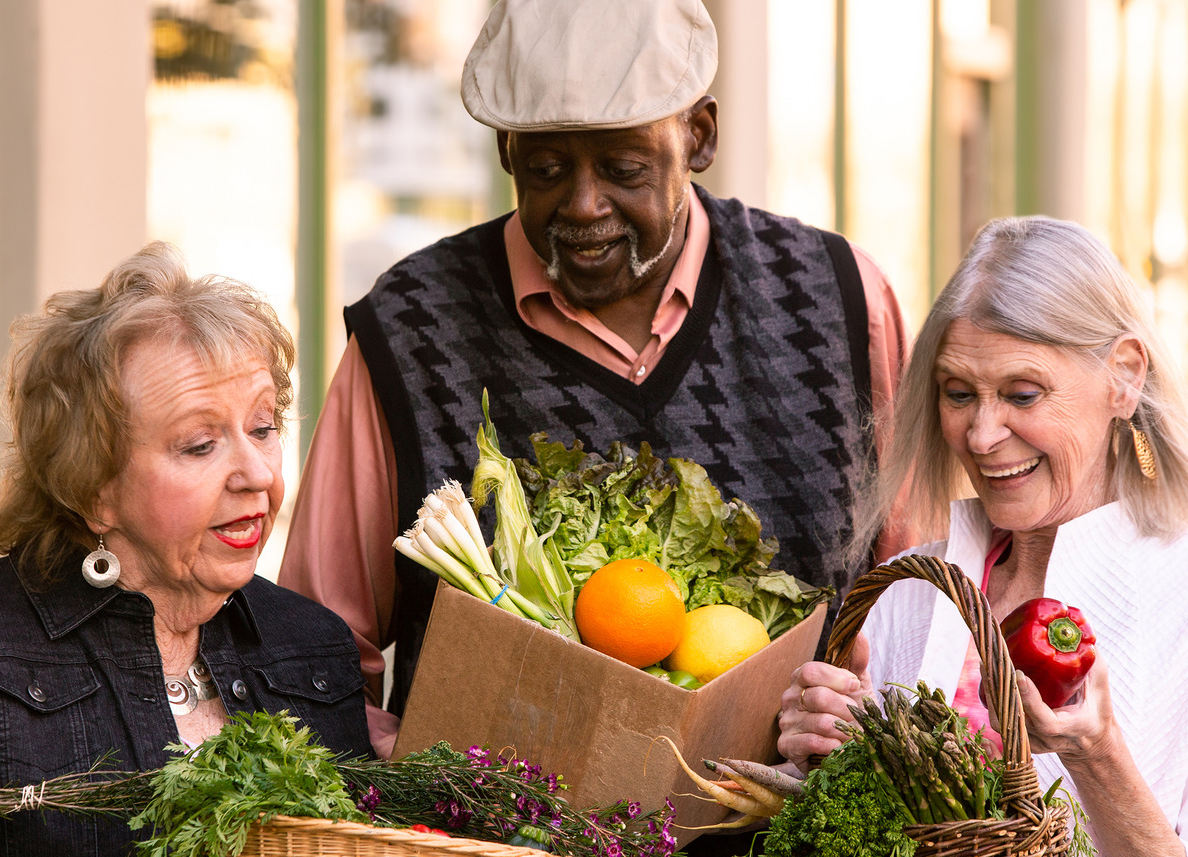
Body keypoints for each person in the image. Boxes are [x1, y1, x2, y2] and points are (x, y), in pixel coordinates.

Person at [280, 0, 910, 762]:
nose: (582, 204)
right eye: (547, 169)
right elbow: (312, 654)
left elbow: (915, 601)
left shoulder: (839, 299)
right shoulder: (409, 329)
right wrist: (420, 769)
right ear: (508, 151)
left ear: (699, 136)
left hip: (796, 854)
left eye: (623, 168)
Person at [778, 217, 1188, 857]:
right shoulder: (908, 592)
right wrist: (811, 758)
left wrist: (1098, 757)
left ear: (1122, 377)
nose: (981, 432)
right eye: (959, 392)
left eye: (1022, 394)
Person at [0, 244, 374, 857]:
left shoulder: (314, 644)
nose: (259, 475)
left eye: (264, 427)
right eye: (200, 444)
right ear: (91, 484)